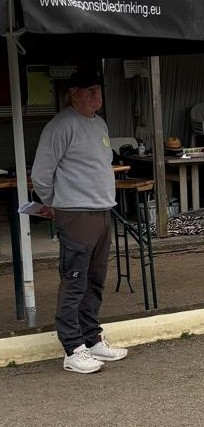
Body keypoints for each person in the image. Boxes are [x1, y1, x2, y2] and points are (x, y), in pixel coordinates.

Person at [31, 67, 128, 374]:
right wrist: (53, 203)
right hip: (75, 212)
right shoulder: (61, 125)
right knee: (75, 279)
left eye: (98, 90)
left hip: (102, 210)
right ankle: (72, 348)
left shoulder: (99, 123)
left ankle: (91, 337)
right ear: (73, 93)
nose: (96, 96)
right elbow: (41, 173)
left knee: (95, 278)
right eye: (89, 91)